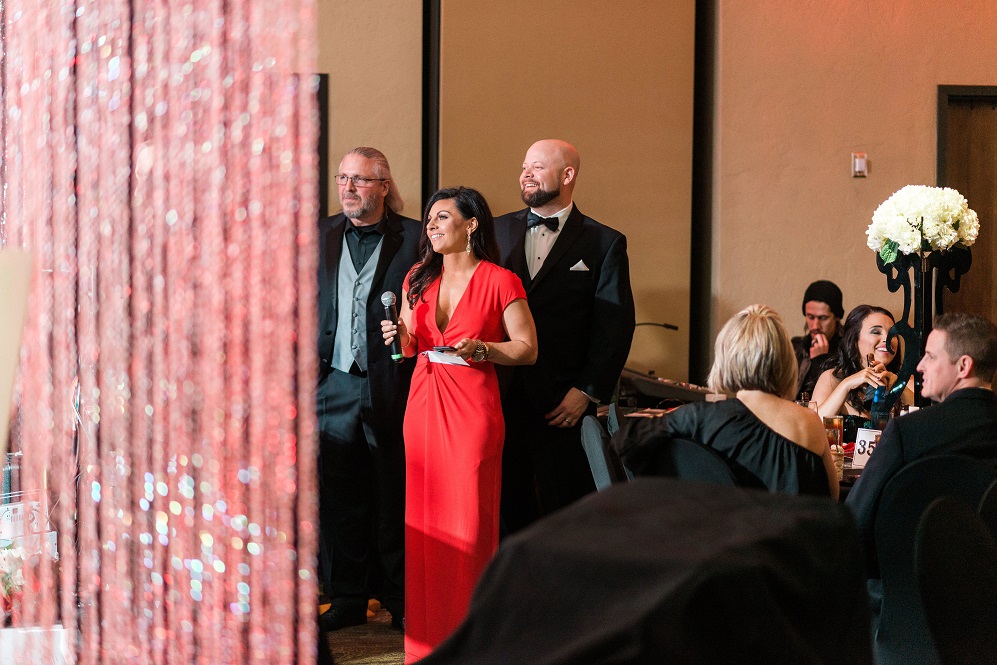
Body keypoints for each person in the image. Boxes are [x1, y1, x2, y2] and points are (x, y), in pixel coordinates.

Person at [381, 186, 538, 663]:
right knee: (424, 525)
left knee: (468, 526)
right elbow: (409, 348)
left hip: (472, 409)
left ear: (471, 224)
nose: (430, 225)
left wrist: (485, 349)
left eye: (442, 216)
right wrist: (401, 335)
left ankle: (474, 643)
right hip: (424, 403)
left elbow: (528, 348)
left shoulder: (500, 280)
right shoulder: (416, 276)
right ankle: (426, 646)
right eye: (428, 218)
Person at [495, 138, 636, 533]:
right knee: (507, 509)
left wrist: (587, 391)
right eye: (524, 166)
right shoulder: (494, 231)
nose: (525, 174)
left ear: (567, 175)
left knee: (565, 513)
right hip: (501, 397)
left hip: (563, 405)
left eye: (537, 167)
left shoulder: (604, 242)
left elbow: (615, 326)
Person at [316, 147, 421, 632]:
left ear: (383, 185)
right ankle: (348, 598)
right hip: (332, 381)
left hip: (393, 383)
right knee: (339, 496)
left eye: (359, 180)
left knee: (394, 491)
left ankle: (401, 599)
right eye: (343, 179)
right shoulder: (319, 234)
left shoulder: (418, 238)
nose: (348, 188)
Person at [612, 305, 839, 499]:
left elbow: (623, 445)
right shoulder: (809, 423)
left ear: (726, 359)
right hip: (792, 547)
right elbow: (832, 497)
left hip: (717, 542)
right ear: (785, 360)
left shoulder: (697, 418)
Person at [845, 312, 997, 572]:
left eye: (931, 356)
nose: (919, 366)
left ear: (963, 366)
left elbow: (854, 523)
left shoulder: (908, 432)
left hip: (907, 592)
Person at [812, 304, 913, 437]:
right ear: (854, 339)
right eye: (876, 332)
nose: (887, 340)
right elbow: (813, 427)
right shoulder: (832, 378)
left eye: (892, 333)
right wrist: (846, 385)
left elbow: (927, 421)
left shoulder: (907, 380)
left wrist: (897, 385)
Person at [792, 280, 844, 400]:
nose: (815, 326)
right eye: (810, 317)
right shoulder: (796, 347)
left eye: (823, 318)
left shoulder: (847, 349)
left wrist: (820, 361)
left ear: (836, 317)